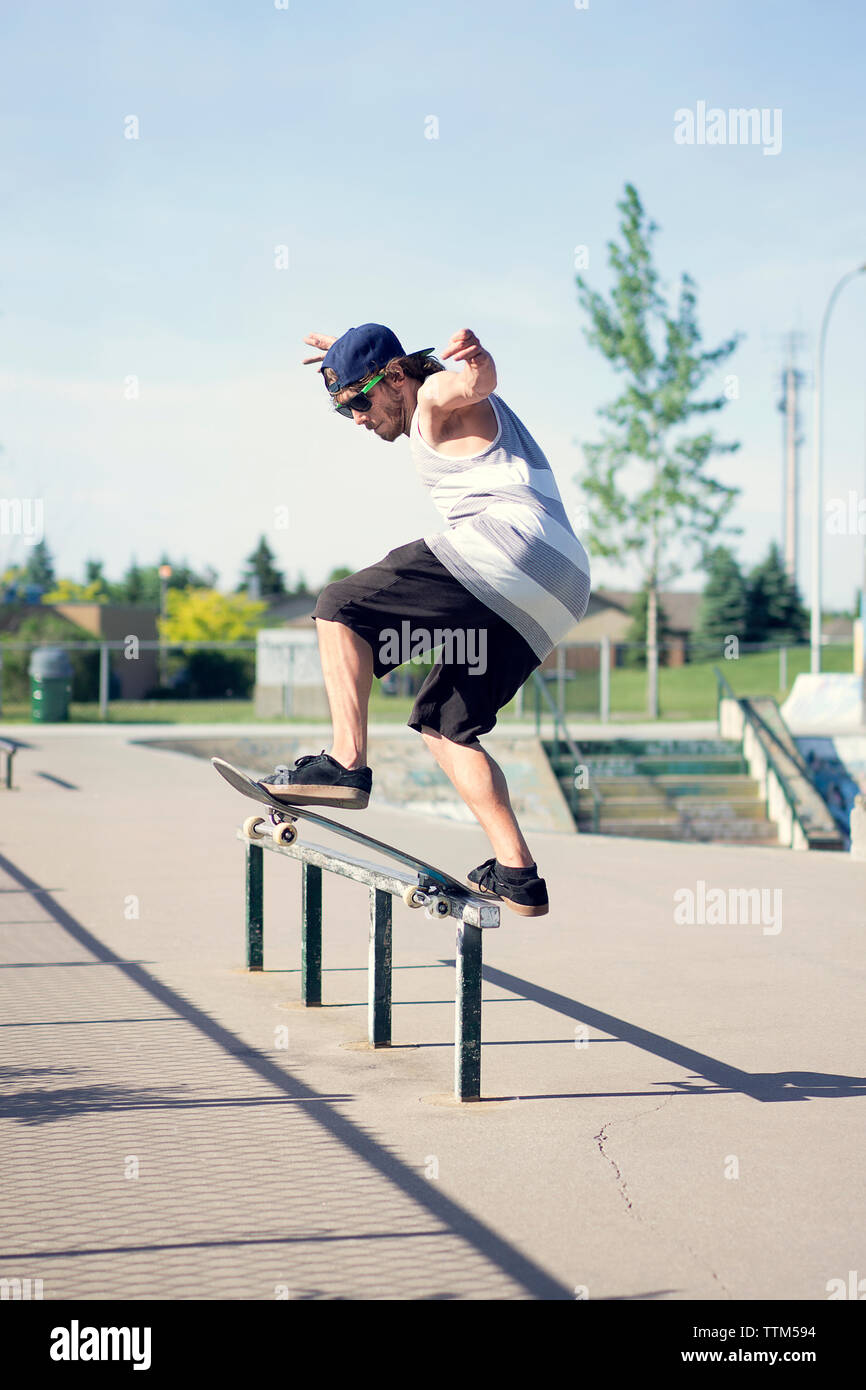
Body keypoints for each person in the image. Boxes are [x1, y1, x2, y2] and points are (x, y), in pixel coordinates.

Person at [262, 323, 591, 916]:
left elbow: (470, 384)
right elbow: (397, 367)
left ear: (395, 377)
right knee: (445, 722)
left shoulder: (435, 395)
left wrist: (479, 365)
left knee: (341, 607)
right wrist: (345, 354)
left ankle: (345, 762)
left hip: (508, 546)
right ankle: (517, 872)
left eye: (360, 403)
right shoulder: (405, 384)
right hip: (560, 584)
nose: (359, 420)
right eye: (344, 412)